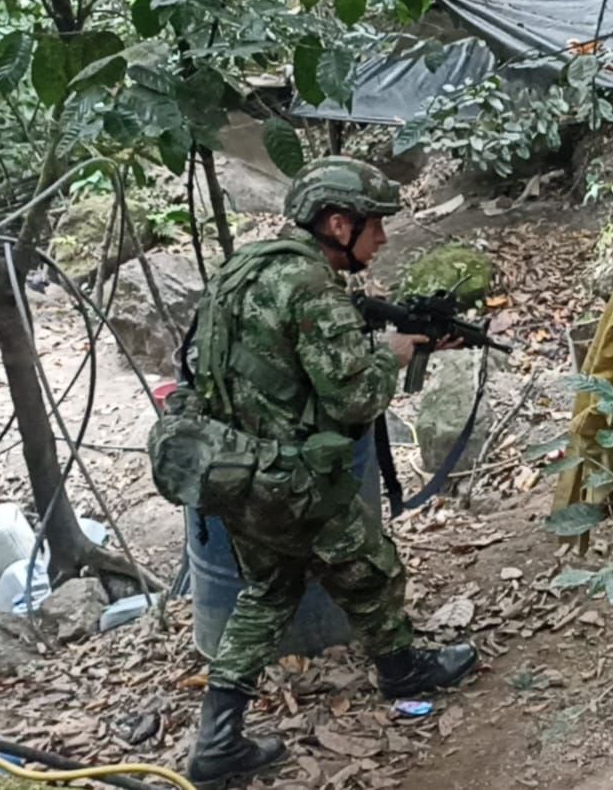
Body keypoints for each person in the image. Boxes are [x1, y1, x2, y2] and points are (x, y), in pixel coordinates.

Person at [180, 157, 478, 788]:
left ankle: (216, 742)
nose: (385, 239)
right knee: (373, 569)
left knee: (267, 593)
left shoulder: (248, 268)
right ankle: (403, 673)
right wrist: (392, 355)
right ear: (339, 224)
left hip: (233, 470)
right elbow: (352, 399)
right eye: (376, 227)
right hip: (295, 481)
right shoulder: (311, 288)